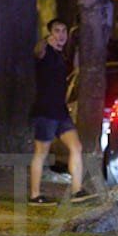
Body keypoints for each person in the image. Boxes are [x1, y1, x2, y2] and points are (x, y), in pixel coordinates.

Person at [28, 19, 94, 206]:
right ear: (50, 33)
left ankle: (77, 190)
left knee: (76, 147)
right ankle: (34, 195)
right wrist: (44, 41)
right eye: (57, 31)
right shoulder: (44, 51)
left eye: (64, 30)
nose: (61, 34)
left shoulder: (61, 55)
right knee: (41, 152)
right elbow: (37, 52)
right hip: (45, 110)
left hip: (60, 111)